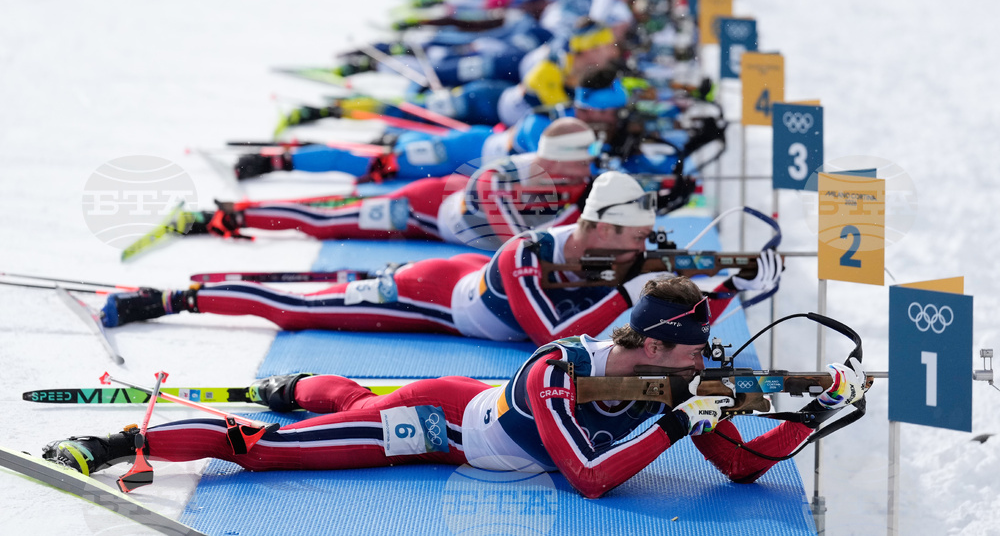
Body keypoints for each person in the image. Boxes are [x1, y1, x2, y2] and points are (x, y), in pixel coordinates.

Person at [44, 277, 867, 498]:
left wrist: (815, 412)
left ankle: (298, 384)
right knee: (264, 452)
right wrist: (677, 424)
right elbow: (589, 479)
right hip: (439, 422)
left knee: (345, 404)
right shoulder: (559, 369)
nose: (702, 367)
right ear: (650, 345)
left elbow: (742, 468)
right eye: (691, 355)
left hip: (468, 418)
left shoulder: (680, 382)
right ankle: (119, 441)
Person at [99, 171, 782, 346]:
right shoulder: (526, 253)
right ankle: (172, 299)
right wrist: (638, 289)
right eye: (633, 240)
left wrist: (735, 273)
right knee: (300, 312)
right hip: (430, 298)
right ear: (599, 227)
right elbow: (553, 337)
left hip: (465, 287)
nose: (641, 250)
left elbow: (670, 274)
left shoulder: (613, 249)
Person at [200, 118, 597, 250]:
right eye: (583, 161)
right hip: (422, 208)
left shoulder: (577, 182)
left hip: (444, 201)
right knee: (332, 215)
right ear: (557, 160)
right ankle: (237, 211)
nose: (589, 168)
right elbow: (518, 245)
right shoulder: (505, 174)